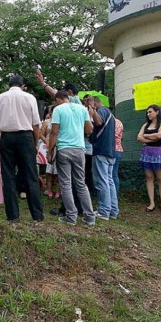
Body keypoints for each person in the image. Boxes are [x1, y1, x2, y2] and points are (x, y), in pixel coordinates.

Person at [0, 75, 44, 223]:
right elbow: (36, 124)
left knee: (8, 176)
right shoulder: (29, 97)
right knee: (31, 175)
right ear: (22, 85)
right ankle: (37, 215)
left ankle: (13, 216)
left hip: (7, 137)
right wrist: (35, 142)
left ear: (9, 85)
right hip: (26, 137)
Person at [48, 91, 95, 226]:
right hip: (80, 149)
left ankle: (71, 216)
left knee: (66, 184)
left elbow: (54, 132)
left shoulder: (58, 110)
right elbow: (89, 130)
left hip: (64, 150)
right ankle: (90, 217)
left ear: (58, 99)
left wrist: (50, 151)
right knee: (81, 183)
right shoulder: (82, 109)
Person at [137, 105, 161, 213]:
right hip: (147, 152)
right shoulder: (146, 125)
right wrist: (152, 138)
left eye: (150, 112)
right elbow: (139, 138)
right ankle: (151, 203)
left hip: (159, 152)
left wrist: (146, 137)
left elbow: (160, 136)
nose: (148, 114)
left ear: (157, 112)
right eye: (147, 112)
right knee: (149, 177)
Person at [90, 96, 118, 220]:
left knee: (102, 181)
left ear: (95, 102)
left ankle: (104, 211)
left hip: (101, 150)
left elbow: (99, 122)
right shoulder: (110, 114)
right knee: (109, 181)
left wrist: (92, 108)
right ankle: (113, 210)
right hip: (110, 151)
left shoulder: (101, 110)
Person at [39, 106, 59, 199]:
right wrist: (46, 141)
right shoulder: (47, 122)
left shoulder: (61, 121)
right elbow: (41, 134)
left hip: (59, 147)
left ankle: (59, 190)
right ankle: (49, 189)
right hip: (48, 147)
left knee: (59, 171)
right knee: (49, 170)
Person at [113, 117, 124, 196]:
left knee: (110, 175)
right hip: (118, 149)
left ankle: (112, 197)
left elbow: (112, 135)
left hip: (111, 150)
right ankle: (115, 196)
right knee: (114, 174)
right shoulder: (119, 122)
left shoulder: (110, 122)